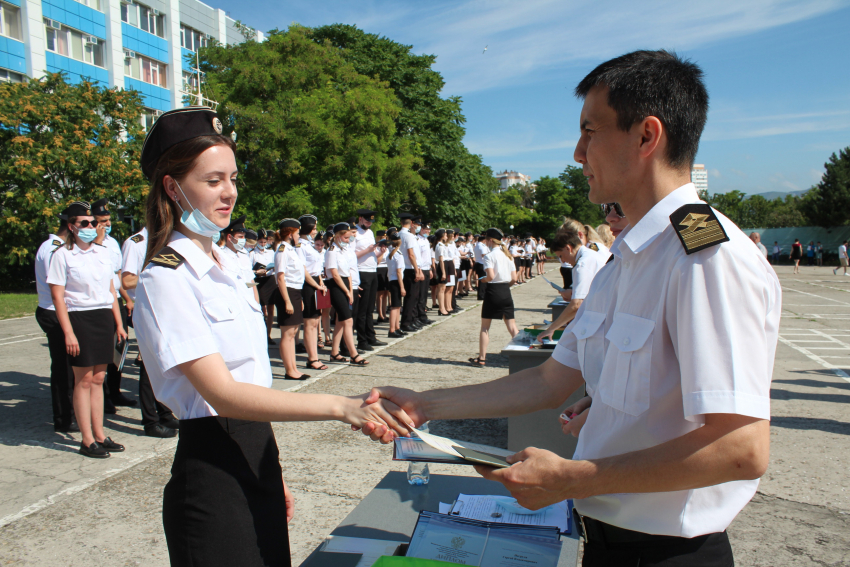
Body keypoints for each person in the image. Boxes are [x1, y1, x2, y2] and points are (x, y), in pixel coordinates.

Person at [363, 50, 781, 567]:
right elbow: (549, 381)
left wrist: (571, 478)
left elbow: (741, 448)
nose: (578, 152)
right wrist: (428, 405)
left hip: (669, 553)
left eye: (590, 131)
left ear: (647, 136)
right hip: (606, 539)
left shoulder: (705, 257)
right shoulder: (625, 259)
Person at [131, 107, 413, 567]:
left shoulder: (229, 264)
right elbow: (224, 397)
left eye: (234, 178)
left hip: (255, 453)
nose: (229, 194)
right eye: (213, 180)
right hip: (212, 472)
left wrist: (271, 466)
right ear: (172, 187)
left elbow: (253, 387)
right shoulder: (166, 277)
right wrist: (342, 406)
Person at [47, 201, 128, 458]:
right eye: (84, 223)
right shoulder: (62, 255)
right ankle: (86, 439)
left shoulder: (102, 253)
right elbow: (58, 298)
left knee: (99, 378)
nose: (91, 227)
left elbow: (111, 291)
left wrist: (118, 323)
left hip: (103, 317)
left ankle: (100, 434)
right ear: (71, 227)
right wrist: (68, 332)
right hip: (79, 319)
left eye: (93, 222)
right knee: (83, 381)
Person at [91, 197, 137, 409]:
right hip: (97, 303)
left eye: (108, 220)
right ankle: (104, 396)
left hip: (116, 299)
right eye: (102, 220)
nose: (107, 224)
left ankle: (116, 390)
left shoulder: (113, 243)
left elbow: (117, 275)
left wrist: (127, 298)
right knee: (102, 351)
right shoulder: (89, 244)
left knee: (120, 346)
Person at [34, 206, 77, 432]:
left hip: (56, 310)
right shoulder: (54, 249)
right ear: (70, 227)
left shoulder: (56, 247)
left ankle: (68, 414)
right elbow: (58, 288)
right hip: (54, 311)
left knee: (68, 368)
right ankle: (63, 418)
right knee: (63, 369)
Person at [538, 227, 609, 341]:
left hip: (601, 319)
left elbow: (576, 305)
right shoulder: (590, 254)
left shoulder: (582, 264)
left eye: (561, 256)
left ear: (568, 248)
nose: (563, 261)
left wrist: (551, 328)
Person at [470, 228, 519, 367]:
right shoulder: (508, 256)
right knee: (512, 326)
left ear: (490, 240)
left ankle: (482, 358)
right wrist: (505, 286)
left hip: (493, 291)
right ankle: (521, 354)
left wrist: (482, 280)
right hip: (505, 290)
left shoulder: (489, 256)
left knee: (485, 327)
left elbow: (490, 276)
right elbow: (514, 278)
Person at [324, 222, 369, 365]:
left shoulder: (344, 251)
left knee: (341, 321)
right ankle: (353, 354)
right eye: (345, 238)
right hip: (336, 286)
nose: (348, 240)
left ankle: (334, 352)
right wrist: (346, 291)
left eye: (350, 237)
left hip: (347, 285)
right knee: (348, 320)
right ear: (337, 237)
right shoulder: (332, 251)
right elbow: (335, 275)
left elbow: (349, 273)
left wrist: (351, 290)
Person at [274, 218, 311, 380]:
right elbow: (280, 277)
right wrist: (288, 301)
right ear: (290, 234)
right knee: (287, 333)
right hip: (286, 292)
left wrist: (298, 298)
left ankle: (294, 368)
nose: (298, 236)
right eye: (297, 233)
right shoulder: (282, 250)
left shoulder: (291, 250)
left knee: (294, 331)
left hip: (295, 292)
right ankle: (289, 370)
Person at [297, 214, 329, 372]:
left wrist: (321, 283)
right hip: (308, 285)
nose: (315, 230)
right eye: (314, 227)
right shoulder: (300, 246)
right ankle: (312, 358)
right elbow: (303, 270)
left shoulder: (309, 245)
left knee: (315, 322)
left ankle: (314, 356)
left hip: (317, 283)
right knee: (310, 324)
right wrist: (317, 285)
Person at [353, 209, 386, 351]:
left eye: (371, 221)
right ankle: (362, 340)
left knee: (369, 308)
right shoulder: (355, 233)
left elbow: (372, 253)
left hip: (372, 270)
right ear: (360, 219)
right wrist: (368, 250)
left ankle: (370, 336)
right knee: (362, 309)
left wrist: (380, 251)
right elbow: (352, 255)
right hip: (362, 271)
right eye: (367, 221)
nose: (369, 224)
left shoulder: (370, 233)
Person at [250, 228, 276, 344]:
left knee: (271, 308)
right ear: (257, 242)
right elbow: (249, 270)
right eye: (261, 242)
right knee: (262, 309)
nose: (263, 244)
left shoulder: (270, 252)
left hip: (270, 280)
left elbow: (275, 264)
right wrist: (257, 272)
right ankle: (261, 333)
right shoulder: (252, 253)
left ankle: (269, 334)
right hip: (259, 281)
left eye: (265, 242)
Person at [398, 214, 424, 333]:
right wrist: (417, 269)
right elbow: (411, 254)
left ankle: (412, 319)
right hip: (410, 268)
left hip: (403, 267)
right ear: (411, 224)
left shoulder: (399, 234)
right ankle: (407, 322)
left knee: (412, 296)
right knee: (411, 297)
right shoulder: (408, 236)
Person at [385, 230, 407, 338]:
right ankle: (392, 329)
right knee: (395, 306)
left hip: (392, 281)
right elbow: (399, 272)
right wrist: (402, 287)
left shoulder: (392, 253)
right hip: (396, 282)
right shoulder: (398, 255)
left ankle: (397, 327)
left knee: (398, 306)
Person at [415, 220, 435, 326]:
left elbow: (427, 257)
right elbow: (418, 257)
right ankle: (419, 316)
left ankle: (422, 314)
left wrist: (430, 269)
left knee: (424, 294)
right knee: (420, 294)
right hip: (421, 269)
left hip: (427, 268)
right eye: (426, 229)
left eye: (429, 229)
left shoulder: (426, 240)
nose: (428, 231)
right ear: (421, 229)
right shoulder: (418, 240)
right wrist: (419, 270)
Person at [375, 229, 390, 323]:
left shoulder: (387, 248)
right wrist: (382, 252)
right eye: (382, 237)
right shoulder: (377, 248)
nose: (384, 239)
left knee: (385, 293)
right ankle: (380, 314)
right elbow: (378, 260)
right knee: (380, 294)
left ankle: (384, 313)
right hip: (379, 269)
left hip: (386, 269)